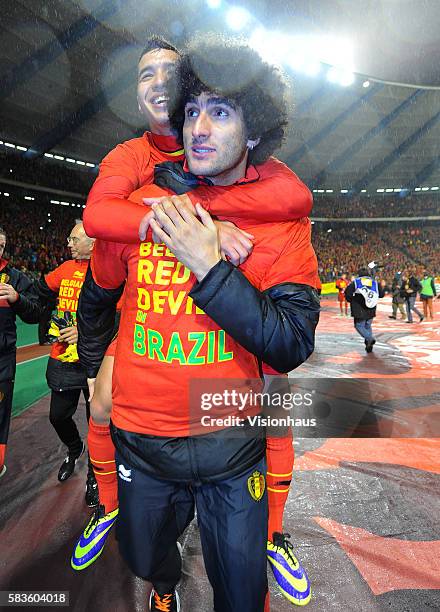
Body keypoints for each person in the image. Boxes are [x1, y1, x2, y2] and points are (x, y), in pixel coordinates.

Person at [76, 37, 320, 612]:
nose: (199, 128)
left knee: (240, 592)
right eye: (191, 112)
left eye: (221, 111)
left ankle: (274, 535)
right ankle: (165, 590)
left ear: (254, 129)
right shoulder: (141, 203)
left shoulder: (281, 223)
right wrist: (93, 367)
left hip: (230, 444)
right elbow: (97, 292)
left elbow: (289, 342)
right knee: (144, 558)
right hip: (141, 440)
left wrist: (208, 264)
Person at [13, 222, 98, 506]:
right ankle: (74, 449)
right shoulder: (64, 269)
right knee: (58, 416)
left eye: (74, 239)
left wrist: (85, 333)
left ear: (93, 242)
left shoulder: (107, 272)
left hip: (93, 360)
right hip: (62, 358)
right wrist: (17, 299)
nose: (69, 243)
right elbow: (37, 301)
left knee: (96, 421)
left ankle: (95, 477)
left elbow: (120, 317)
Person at [0, 227, 39, 478]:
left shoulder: (14, 277)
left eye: (1, 246)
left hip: (1, 360)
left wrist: (17, 299)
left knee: (1, 413)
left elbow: (35, 312)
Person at [345, 267, 385, 352]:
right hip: (371, 308)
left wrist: (351, 300)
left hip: (359, 308)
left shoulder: (356, 282)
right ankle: (368, 345)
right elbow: (381, 294)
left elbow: (348, 293)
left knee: (359, 325)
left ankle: (369, 339)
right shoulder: (374, 282)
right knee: (367, 325)